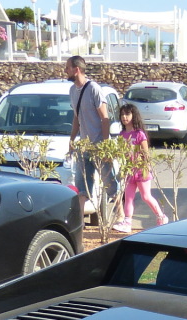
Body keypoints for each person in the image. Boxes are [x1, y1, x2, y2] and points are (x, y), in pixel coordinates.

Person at [66, 55, 115, 219]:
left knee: (109, 183)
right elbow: (76, 118)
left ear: (76, 69)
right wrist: (72, 140)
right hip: (83, 147)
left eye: (67, 67)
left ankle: (121, 214)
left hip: (98, 146)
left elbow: (105, 118)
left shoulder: (94, 88)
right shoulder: (72, 90)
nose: (65, 71)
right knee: (81, 187)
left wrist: (105, 145)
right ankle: (79, 222)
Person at [112, 103, 168, 233]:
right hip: (128, 171)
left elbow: (146, 153)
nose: (124, 117)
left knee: (146, 196)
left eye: (127, 114)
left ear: (134, 116)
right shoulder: (121, 135)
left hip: (141, 170)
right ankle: (127, 223)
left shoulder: (139, 134)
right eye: (122, 115)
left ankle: (161, 217)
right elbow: (121, 153)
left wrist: (146, 168)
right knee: (128, 197)